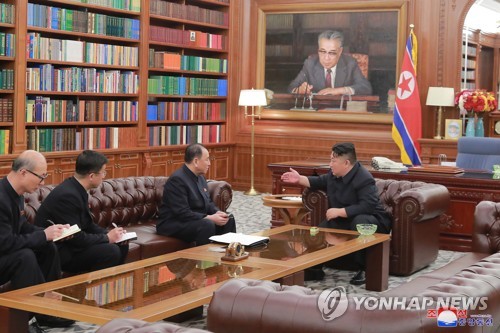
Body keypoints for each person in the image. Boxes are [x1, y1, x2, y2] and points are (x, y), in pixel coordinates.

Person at [281, 142, 391, 285]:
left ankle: (364, 269)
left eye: (333, 161)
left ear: (346, 163)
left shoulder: (364, 177)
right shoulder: (334, 175)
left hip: (372, 220)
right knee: (320, 230)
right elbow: (320, 181)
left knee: (360, 222)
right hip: (346, 218)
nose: (330, 164)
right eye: (330, 160)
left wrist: (340, 211)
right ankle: (314, 269)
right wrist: (300, 179)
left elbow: (367, 206)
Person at [0, 150, 75, 332]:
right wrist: (42, 235)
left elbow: (23, 227)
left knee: (48, 247)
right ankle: (33, 313)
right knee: (24, 257)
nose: (43, 183)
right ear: (23, 172)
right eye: (41, 177)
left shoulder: (16, 194)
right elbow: (4, 243)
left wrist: (52, 233)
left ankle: (46, 311)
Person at [35, 150, 129, 274]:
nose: (104, 176)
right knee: (111, 251)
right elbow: (76, 238)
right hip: (61, 251)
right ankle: (95, 290)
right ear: (91, 176)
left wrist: (113, 234)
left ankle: (112, 285)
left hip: (73, 245)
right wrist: (106, 238)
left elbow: (87, 225)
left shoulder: (76, 188)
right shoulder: (67, 196)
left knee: (121, 243)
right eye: (103, 172)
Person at [157, 143, 236, 245]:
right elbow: (182, 213)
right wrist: (209, 217)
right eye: (207, 159)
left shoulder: (200, 177)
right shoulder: (177, 180)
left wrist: (218, 213)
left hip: (194, 219)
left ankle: (228, 254)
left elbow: (208, 203)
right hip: (173, 223)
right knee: (207, 224)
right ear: (196, 161)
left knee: (228, 219)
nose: (209, 163)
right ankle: (204, 260)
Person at [287, 30, 372, 96]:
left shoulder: (350, 63)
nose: (326, 58)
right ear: (318, 50)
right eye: (323, 52)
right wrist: (299, 90)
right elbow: (291, 87)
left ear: (340, 51)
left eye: (331, 53)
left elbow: (366, 88)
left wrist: (339, 90)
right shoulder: (310, 63)